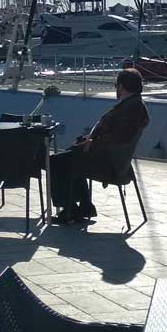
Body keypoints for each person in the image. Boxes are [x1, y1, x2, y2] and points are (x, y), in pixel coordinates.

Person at [49, 68, 150, 224]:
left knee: (56, 162)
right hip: (113, 159)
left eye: (116, 85)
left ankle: (71, 209)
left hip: (110, 164)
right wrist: (90, 139)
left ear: (121, 86)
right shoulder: (133, 104)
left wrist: (93, 142)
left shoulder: (131, 107)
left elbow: (121, 137)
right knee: (71, 155)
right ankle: (83, 206)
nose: (116, 89)